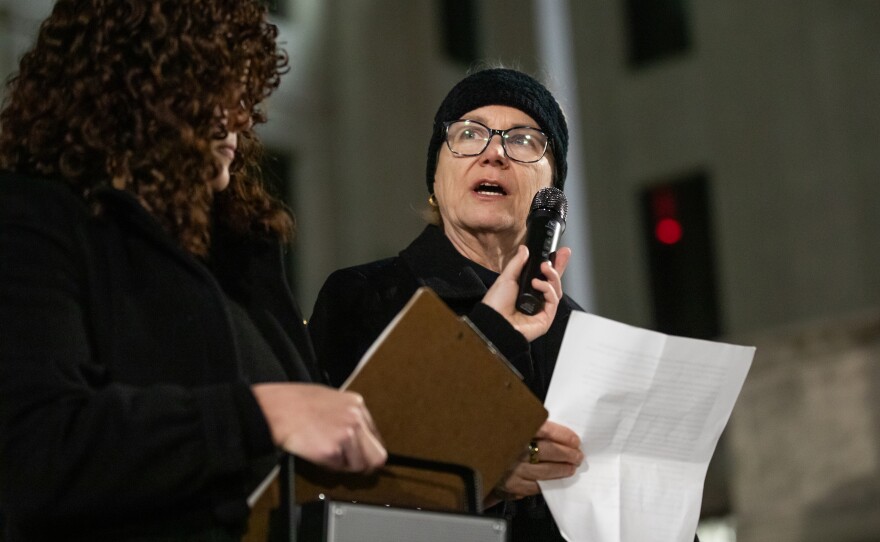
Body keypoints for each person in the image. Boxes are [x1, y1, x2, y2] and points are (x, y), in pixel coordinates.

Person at [0, 1, 389, 540]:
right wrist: (257, 415)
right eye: (211, 83)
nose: (240, 114)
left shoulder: (242, 256)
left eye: (242, 90)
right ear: (136, 85)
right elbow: (36, 451)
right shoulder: (35, 222)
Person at [308, 67, 585, 542]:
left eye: (522, 141)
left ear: (552, 190)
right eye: (469, 134)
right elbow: (332, 486)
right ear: (435, 176)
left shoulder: (579, 333)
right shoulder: (365, 298)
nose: (493, 153)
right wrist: (483, 475)